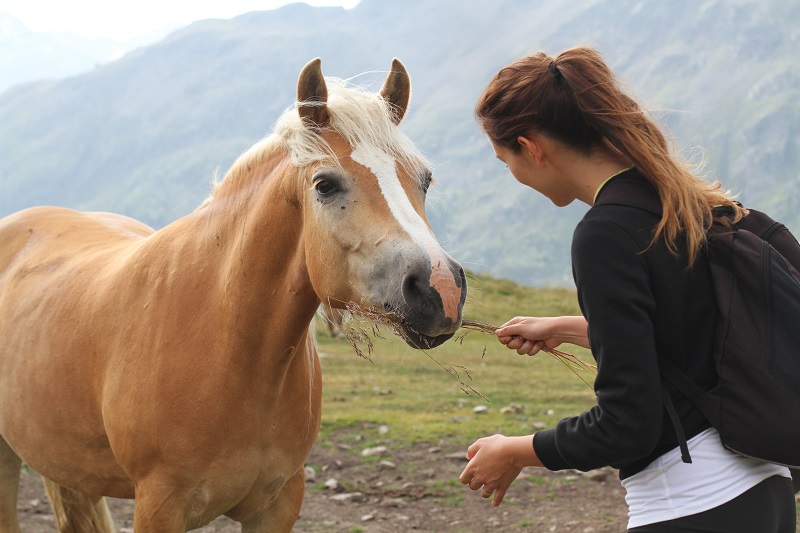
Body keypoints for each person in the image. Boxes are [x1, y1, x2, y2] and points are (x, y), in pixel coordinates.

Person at [458, 46, 796, 532]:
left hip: (692, 503)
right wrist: (573, 329)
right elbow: (693, 329)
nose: (511, 173)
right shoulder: (683, 201)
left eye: (504, 158)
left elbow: (627, 424)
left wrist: (517, 450)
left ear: (531, 147)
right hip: (766, 490)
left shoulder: (605, 233)